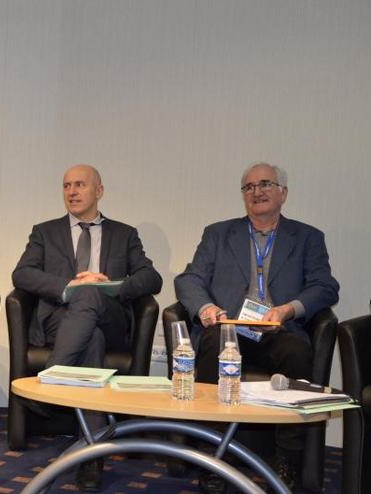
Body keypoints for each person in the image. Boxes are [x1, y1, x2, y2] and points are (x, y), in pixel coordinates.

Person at [174, 162, 339, 492]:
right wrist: (206, 308)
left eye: (265, 184)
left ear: (283, 193)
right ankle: (212, 455)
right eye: (249, 187)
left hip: (278, 331)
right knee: (210, 346)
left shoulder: (307, 237)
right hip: (230, 330)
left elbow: (325, 286)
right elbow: (189, 279)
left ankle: (287, 459)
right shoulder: (218, 233)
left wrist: (288, 309)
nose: (257, 192)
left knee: (297, 353)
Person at [12, 164, 162, 491]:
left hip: (110, 315)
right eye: (66, 185)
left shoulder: (124, 234)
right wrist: (68, 286)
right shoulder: (44, 231)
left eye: (80, 185)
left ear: (99, 190)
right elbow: (21, 274)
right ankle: (92, 456)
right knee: (89, 336)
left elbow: (152, 278)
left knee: (92, 295)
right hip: (60, 319)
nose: (72, 191)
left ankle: (48, 382)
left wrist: (111, 286)